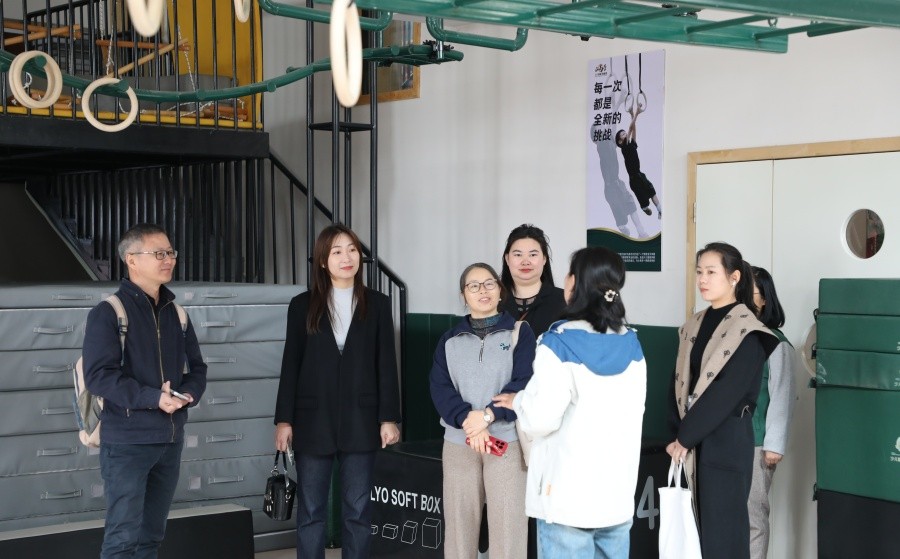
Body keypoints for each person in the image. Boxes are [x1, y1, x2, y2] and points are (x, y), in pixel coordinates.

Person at [494, 246, 647, 558]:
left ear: (575, 283)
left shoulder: (558, 343)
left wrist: (520, 401)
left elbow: (540, 419)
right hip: (616, 495)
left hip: (567, 498)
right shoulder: (632, 343)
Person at [274, 224, 401, 559]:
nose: (347, 258)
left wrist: (388, 417)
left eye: (352, 250)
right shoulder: (302, 305)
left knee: (358, 511)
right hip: (312, 419)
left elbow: (386, 364)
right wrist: (284, 420)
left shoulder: (378, 303)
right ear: (322, 260)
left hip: (362, 419)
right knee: (311, 511)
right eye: (337, 251)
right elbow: (291, 364)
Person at [83, 223, 208, 559]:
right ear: (132, 260)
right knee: (123, 539)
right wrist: (154, 398)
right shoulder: (109, 313)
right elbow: (99, 377)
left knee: (151, 537)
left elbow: (197, 369)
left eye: (171, 253)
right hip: (127, 444)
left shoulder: (177, 314)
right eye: (159, 253)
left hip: (169, 440)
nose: (168, 260)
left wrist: (187, 395)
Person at [666, 242, 779, 559]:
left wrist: (685, 436)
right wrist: (677, 434)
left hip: (725, 443)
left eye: (711, 272)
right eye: (699, 272)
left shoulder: (749, 331)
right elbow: (677, 381)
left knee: (723, 535)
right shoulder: (693, 325)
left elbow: (726, 392)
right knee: (691, 534)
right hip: (689, 442)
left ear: (734, 277)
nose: (703, 279)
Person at [430, 262, 535, 559]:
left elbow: (524, 381)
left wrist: (488, 416)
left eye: (489, 283)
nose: (482, 291)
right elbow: (439, 387)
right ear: (463, 295)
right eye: (473, 286)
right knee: (459, 529)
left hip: (506, 442)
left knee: (509, 529)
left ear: (500, 290)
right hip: (459, 443)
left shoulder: (519, 333)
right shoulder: (450, 340)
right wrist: (469, 420)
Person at [748, 266, 796, 559]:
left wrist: (774, 445)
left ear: (764, 299)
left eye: (750, 292)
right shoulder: (730, 336)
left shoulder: (775, 342)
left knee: (753, 517)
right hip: (726, 440)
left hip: (757, 443)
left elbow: (782, 394)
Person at [499, 224, 567, 337]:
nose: (525, 262)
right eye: (518, 254)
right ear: (507, 259)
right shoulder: (494, 301)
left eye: (533, 254)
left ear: (544, 258)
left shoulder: (565, 301)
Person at [590, 122, 649, 238]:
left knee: (631, 204)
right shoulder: (601, 145)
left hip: (618, 183)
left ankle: (641, 232)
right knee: (621, 216)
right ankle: (622, 227)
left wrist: (614, 115)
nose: (604, 127)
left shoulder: (611, 142)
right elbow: (609, 129)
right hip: (610, 187)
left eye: (603, 126)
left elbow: (612, 128)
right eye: (600, 128)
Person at [615, 101, 662, 219]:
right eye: (623, 134)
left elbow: (633, 130)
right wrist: (635, 113)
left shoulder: (631, 144)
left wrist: (633, 115)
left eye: (624, 133)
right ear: (620, 142)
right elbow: (630, 128)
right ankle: (645, 208)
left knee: (651, 190)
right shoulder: (624, 148)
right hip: (634, 180)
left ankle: (660, 210)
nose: (625, 133)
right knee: (644, 202)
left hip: (640, 174)